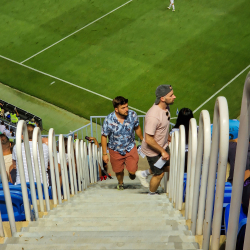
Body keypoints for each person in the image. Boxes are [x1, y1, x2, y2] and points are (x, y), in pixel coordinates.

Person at [101, 96, 143, 190]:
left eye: (127, 106)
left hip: (130, 146)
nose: (126, 109)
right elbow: (104, 136)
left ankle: (132, 174)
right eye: (123, 108)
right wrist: (104, 154)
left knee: (132, 171)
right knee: (118, 170)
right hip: (115, 149)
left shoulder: (132, 115)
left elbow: (137, 128)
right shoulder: (108, 119)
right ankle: (120, 183)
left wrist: (142, 139)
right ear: (116, 109)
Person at [141, 85, 176, 195]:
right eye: (171, 95)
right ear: (162, 98)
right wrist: (162, 151)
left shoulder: (166, 107)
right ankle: (151, 194)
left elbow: (164, 125)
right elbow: (148, 139)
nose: (174, 97)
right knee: (159, 174)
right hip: (153, 151)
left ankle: (144, 173)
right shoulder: (153, 116)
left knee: (171, 167)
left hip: (163, 145)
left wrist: (168, 137)